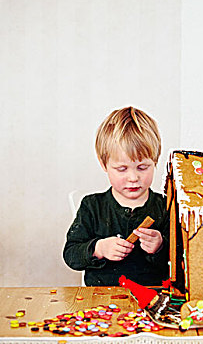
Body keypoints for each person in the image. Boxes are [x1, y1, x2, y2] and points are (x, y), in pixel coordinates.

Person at [63, 106, 169, 286]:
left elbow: (185, 258)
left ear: (155, 161)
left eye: (143, 167)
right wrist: (99, 248)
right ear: (104, 164)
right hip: (100, 299)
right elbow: (71, 255)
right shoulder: (92, 206)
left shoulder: (166, 206)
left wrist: (161, 246)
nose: (133, 177)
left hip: (154, 298)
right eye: (122, 169)